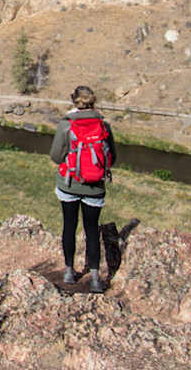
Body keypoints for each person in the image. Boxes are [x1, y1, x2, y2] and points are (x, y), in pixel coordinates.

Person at [49, 85, 117, 293]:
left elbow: (56, 156)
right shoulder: (103, 125)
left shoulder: (66, 125)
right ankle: (95, 278)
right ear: (93, 101)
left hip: (69, 184)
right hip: (95, 187)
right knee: (92, 230)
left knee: (69, 226)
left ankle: (69, 272)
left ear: (74, 100)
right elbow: (112, 157)